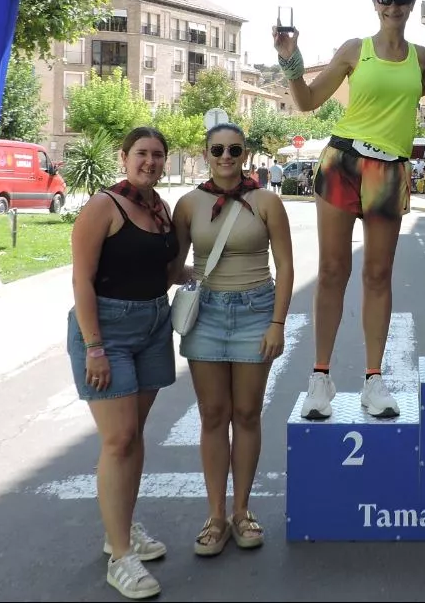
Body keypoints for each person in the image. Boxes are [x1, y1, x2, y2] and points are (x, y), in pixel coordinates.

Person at [273, 0, 425, 420]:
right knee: (331, 270)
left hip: (390, 167)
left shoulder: (423, 58)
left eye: (402, 0)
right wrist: (290, 60)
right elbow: (306, 101)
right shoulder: (353, 50)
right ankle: (319, 379)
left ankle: (373, 380)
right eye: (386, 0)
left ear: (411, 5)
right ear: (375, 3)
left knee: (379, 275)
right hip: (342, 160)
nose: (394, 8)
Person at [171, 123, 295, 558]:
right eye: (218, 149)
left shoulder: (266, 202)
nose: (226, 156)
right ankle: (216, 516)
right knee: (211, 415)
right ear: (205, 153)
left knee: (245, 413)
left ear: (246, 154)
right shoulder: (188, 204)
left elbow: (286, 265)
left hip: (255, 311)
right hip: (206, 315)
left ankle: (242, 511)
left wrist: (278, 323)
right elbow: (174, 264)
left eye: (234, 149)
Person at [67, 126, 179, 600]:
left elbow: (164, 267)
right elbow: (81, 280)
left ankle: (124, 529)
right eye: (141, 154)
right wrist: (94, 346)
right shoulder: (103, 206)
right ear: (124, 157)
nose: (149, 162)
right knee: (119, 440)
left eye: (157, 155)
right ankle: (120, 557)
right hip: (107, 331)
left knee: (133, 438)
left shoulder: (160, 210)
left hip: (154, 325)